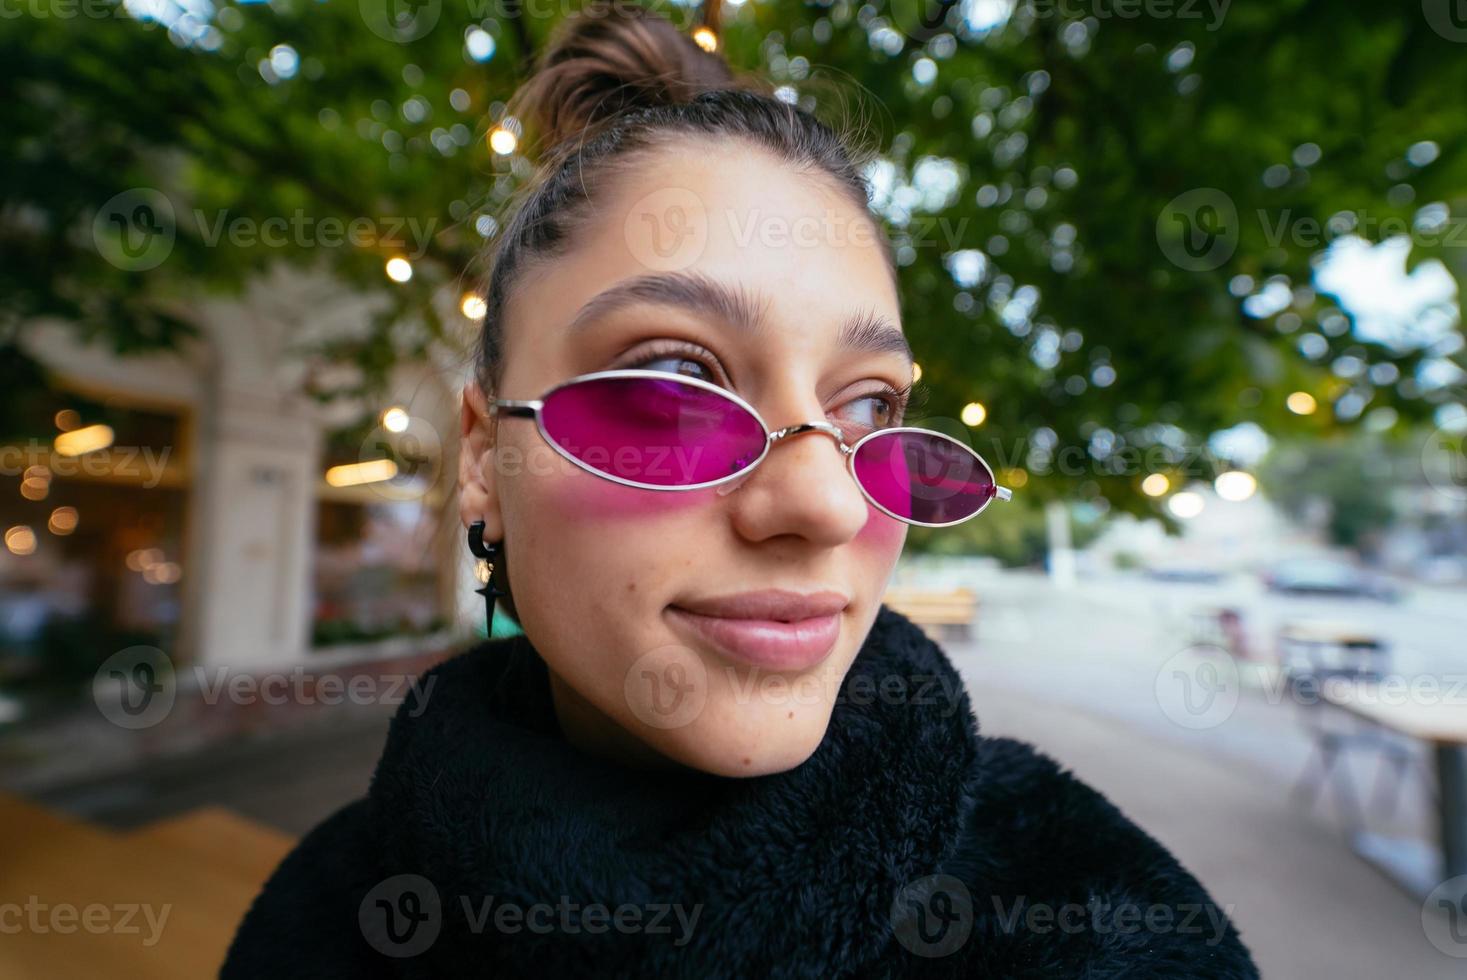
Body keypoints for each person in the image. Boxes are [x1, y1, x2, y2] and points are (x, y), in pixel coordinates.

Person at [223, 3, 1259, 976]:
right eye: (675, 380)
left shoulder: (1096, 918)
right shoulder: (318, 919)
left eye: (867, 406)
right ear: (487, 458)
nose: (829, 504)